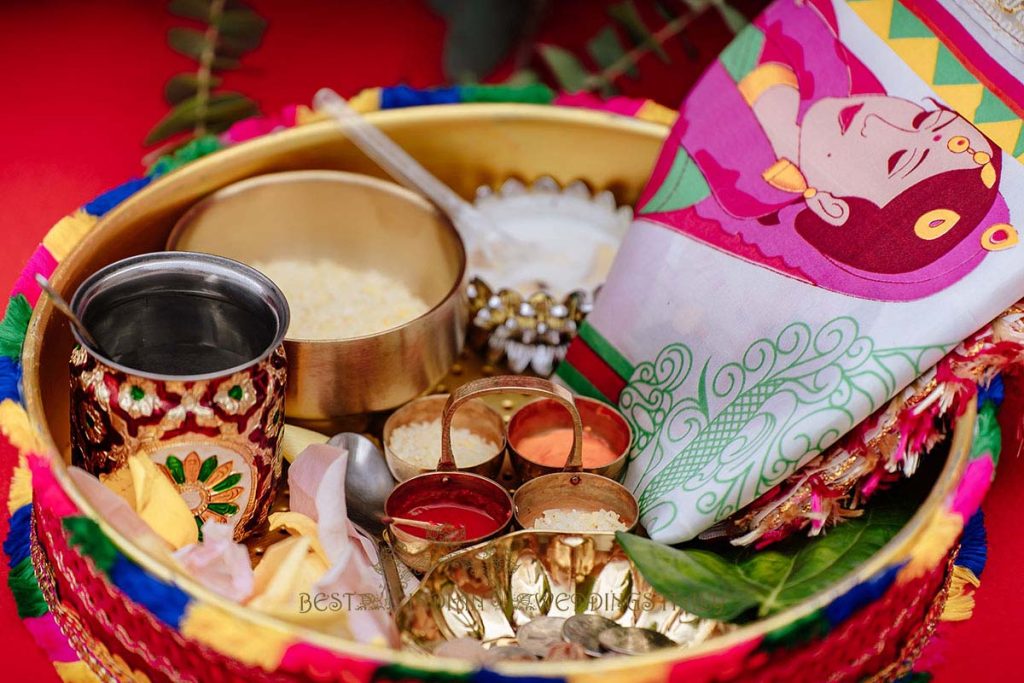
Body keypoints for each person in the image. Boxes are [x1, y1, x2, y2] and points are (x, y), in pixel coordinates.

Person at [639, 0, 1013, 300]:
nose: (879, 120)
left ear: (831, 206)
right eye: (922, 119)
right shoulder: (846, 78)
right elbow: (798, 17)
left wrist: (781, 128)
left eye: (897, 158)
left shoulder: (736, 188)